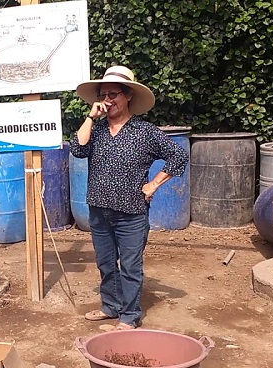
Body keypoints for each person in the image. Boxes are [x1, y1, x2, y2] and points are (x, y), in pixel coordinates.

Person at [70, 65, 189, 330]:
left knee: (130, 266)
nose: (107, 100)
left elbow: (178, 155)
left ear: (128, 97)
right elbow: (78, 149)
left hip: (131, 213)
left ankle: (129, 315)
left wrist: (154, 184)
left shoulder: (145, 132)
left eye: (114, 94)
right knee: (105, 263)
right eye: (103, 94)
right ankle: (110, 307)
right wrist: (91, 117)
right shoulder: (97, 130)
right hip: (99, 210)